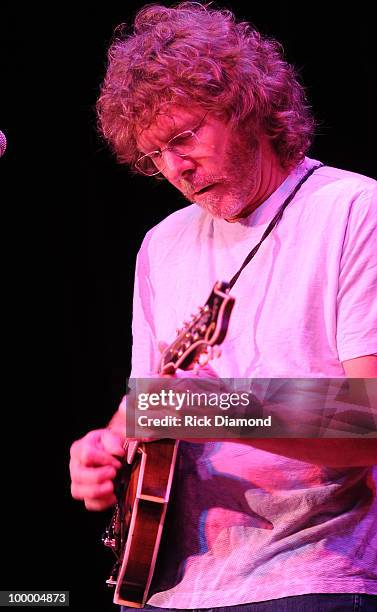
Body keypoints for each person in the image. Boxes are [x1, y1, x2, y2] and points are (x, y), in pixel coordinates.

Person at [69, 3, 377, 610]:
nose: (175, 169)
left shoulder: (352, 210)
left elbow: (370, 421)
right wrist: (106, 447)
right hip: (164, 587)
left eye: (185, 137)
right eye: (155, 154)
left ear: (248, 108)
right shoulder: (163, 244)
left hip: (310, 576)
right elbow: (152, 398)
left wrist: (225, 407)